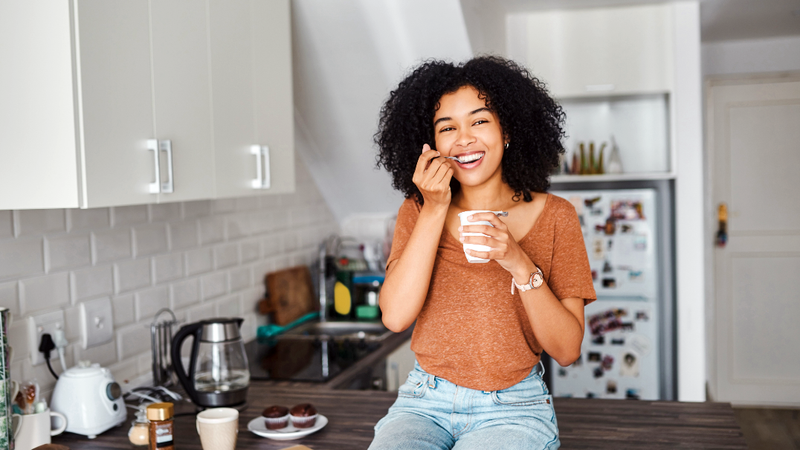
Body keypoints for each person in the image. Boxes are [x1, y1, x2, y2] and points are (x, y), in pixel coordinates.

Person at [369, 56, 596, 450]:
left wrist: (516, 259)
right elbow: (395, 316)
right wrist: (435, 207)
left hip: (514, 407)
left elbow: (567, 349)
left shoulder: (557, 216)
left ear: (506, 129)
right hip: (423, 402)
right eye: (447, 127)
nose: (463, 139)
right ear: (432, 144)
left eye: (479, 121)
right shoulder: (417, 210)